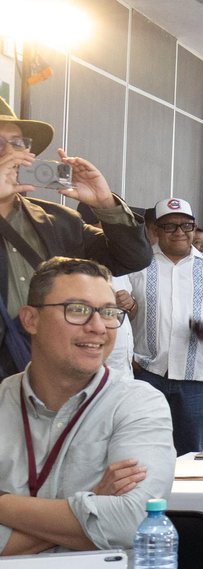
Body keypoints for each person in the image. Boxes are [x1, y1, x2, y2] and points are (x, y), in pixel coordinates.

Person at [0, 257, 173, 564]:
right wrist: (92, 501)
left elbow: (133, 520)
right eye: (77, 310)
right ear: (30, 320)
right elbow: (111, 521)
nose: (97, 327)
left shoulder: (138, 405)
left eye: (108, 312)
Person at [0, 99, 152, 378]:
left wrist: (105, 203)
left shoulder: (60, 220)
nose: (11, 153)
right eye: (0, 144)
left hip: (52, 377)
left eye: (19, 143)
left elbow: (133, 257)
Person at [128, 198, 203, 455]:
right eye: (170, 226)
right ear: (156, 230)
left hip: (194, 379)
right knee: (142, 452)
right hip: (146, 374)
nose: (180, 232)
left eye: (186, 225)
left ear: (194, 228)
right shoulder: (139, 264)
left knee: (188, 455)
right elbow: (117, 307)